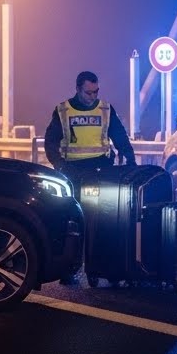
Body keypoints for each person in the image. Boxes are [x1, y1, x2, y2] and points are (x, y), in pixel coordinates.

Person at [44, 71, 137, 286]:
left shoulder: (105, 109)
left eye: (96, 91)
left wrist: (130, 159)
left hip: (101, 171)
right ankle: (71, 269)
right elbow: (51, 143)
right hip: (74, 172)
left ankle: (103, 267)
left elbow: (119, 136)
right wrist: (60, 166)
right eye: (88, 92)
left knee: (104, 219)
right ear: (78, 89)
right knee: (75, 222)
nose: (93, 96)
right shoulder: (63, 110)